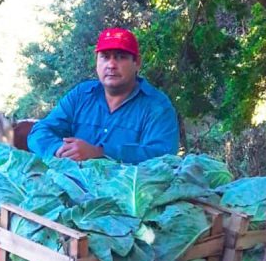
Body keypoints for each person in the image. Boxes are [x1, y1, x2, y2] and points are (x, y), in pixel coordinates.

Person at [27, 27, 179, 164]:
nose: (111, 65)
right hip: (72, 189)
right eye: (105, 57)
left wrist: (100, 153)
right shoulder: (80, 95)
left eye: (121, 57)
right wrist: (59, 150)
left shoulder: (158, 107)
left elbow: (163, 157)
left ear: (137, 62)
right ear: (97, 62)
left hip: (127, 192)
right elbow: (39, 131)